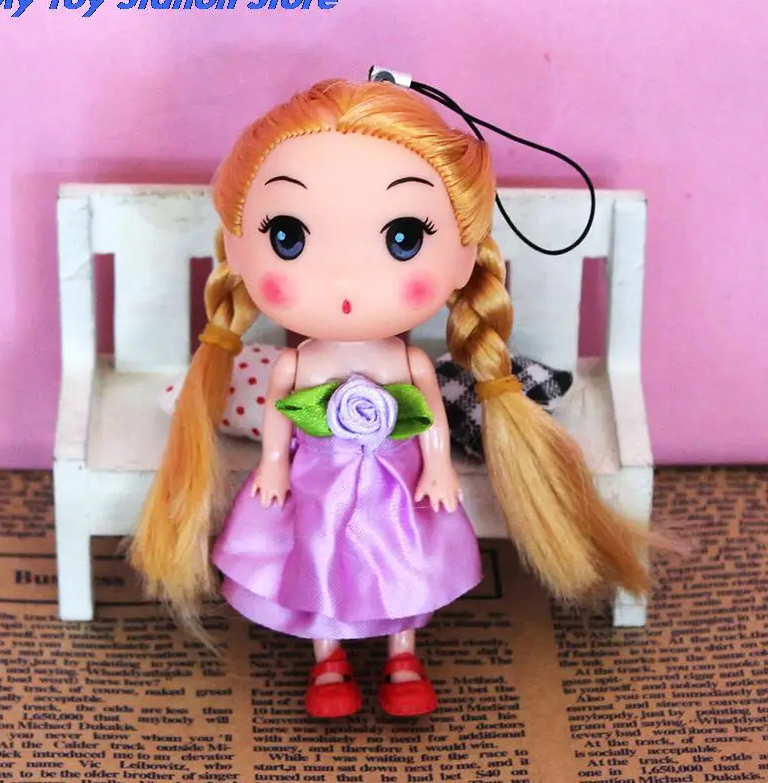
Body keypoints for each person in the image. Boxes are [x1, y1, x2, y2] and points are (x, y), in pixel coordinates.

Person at [129, 78, 652, 718]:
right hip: (316, 485)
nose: (345, 280)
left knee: (404, 561)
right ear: (237, 249)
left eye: (403, 237)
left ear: (464, 259)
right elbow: (277, 417)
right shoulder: (296, 362)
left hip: (395, 488)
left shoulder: (407, 361)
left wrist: (437, 464)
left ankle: (403, 653)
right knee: (315, 561)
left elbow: (428, 415)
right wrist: (272, 465)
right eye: (288, 237)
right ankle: (328, 657)